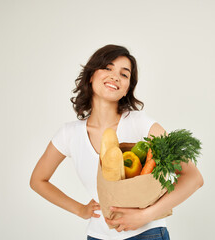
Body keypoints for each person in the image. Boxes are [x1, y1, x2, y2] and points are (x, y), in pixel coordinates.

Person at [29, 44, 204, 240]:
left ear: (127, 88)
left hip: (147, 233)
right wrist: (80, 210)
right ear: (90, 76)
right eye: (107, 68)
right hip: (98, 235)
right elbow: (38, 180)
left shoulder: (141, 124)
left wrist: (144, 216)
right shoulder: (69, 134)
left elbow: (193, 177)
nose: (115, 76)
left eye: (124, 74)